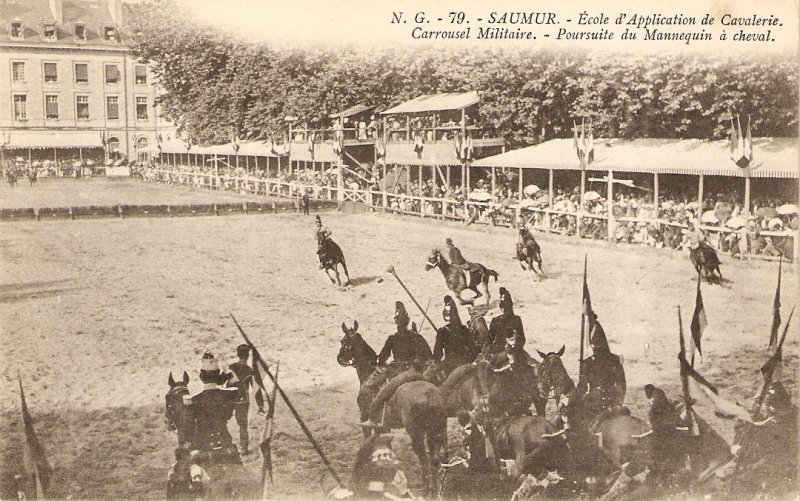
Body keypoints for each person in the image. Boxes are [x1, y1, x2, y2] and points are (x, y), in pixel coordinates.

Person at [359, 302, 433, 429]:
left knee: (379, 391)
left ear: (397, 322)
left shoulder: (392, 339)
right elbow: (429, 356)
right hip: (417, 371)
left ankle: (377, 417)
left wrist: (384, 365)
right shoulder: (418, 337)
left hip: (398, 373)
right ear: (408, 321)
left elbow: (381, 359)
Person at [183, 352, 240, 463]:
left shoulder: (193, 400)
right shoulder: (228, 395)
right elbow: (236, 383)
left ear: (201, 377)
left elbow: (188, 425)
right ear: (218, 375)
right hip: (224, 441)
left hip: (203, 444)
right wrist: (227, 371)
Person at [577, 313, 626, 419]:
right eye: (596, 349)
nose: (598, 352)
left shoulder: (614, 361)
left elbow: (621, 384)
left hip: (611, 404)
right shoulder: (588, 363)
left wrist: (617, 404)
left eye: (600, 348)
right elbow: (582, 387)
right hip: (592, 404)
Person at [226, 344, 263, 455]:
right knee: (243, 425)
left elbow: (221, 381)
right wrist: (260, 404)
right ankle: (243, 449)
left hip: (229, 398)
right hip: (242, 400)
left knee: (223, 422)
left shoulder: (231, 367)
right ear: (247, 356)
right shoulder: (249, 370)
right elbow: (256, 388)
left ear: (237, 354)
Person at [433, 295, 479, 376]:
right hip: (466, 363)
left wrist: (439, 366)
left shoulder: (442, 331)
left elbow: (438, 354)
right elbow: (473, 350)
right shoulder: (464, 329)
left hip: (450, 366)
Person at [484, 287, 526, 355]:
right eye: (505, 308)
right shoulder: (496, 321)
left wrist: (515, 344)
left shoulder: (517, 320)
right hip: (499, 351)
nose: (507, 310)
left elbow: (522, 339)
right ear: (501, 308)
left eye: (509, 307)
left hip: (515, 350)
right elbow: (489, 340)